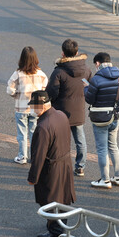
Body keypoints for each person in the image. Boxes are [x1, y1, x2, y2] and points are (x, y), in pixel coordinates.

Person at [27, 90, 75, 237]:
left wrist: (33, 177)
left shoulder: (43, 127)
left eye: (34, 106)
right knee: (63, 197)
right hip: (65, 163)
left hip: (51, 168)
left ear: (41, 106)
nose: (33, 109)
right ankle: (60, 225)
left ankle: (55, 232)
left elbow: (38, 155)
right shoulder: (61, 115)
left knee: (51, 198)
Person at [85, 51, 119, 189]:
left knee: (102, 149)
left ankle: (105, 180)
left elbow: (89, 99)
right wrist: (115, 107)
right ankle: (118, 177)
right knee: (113, 146)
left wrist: (86, 88)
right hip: (115, 116)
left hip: (100, 118)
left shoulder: (96, 79)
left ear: (98, 63)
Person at [46, 39, 90, 177]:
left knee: (59, 141)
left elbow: (52, 92)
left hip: (60, 112)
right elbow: (89, 87)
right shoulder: (86, 70)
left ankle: (59, 165)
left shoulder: (58, 72)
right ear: (77, 52)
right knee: (80, 139)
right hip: (78, 111)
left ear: (63, 53)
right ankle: (80, 166)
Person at [6, 46, 49, 165]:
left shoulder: (18, 74)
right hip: (36, 109)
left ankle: (22, 156)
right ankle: (34, 156)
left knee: (22, 134)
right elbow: (45, 89)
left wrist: (17, 94)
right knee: (34, 133)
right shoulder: (41, 74)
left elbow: (9, 90)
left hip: (21, 107)